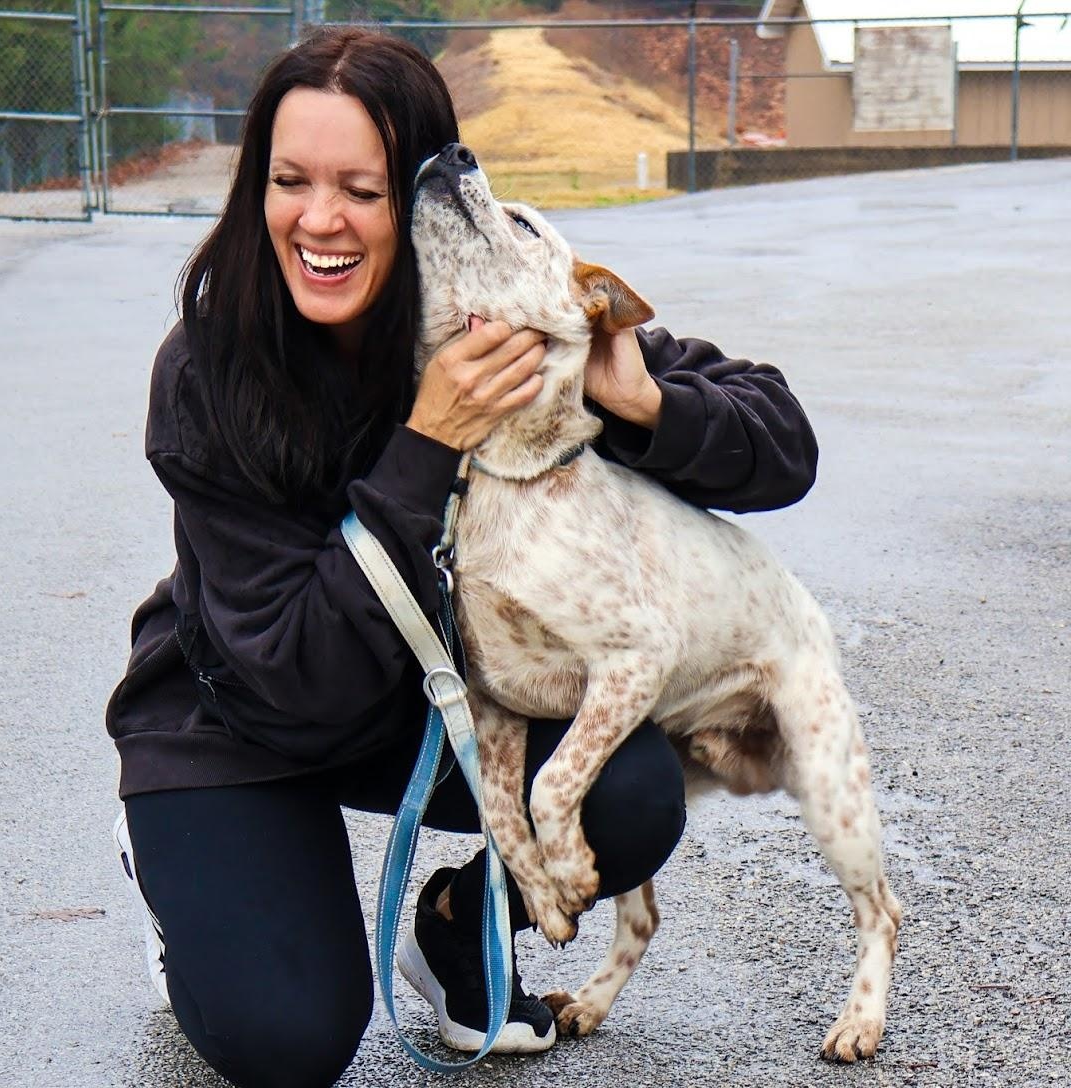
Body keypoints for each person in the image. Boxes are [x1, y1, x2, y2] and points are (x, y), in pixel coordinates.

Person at [105, 25, 819, 1088]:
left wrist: (638, 400)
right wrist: (425, 443)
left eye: (362, 187)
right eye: (290, 180)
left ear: (428, 199)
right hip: (240, 715)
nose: (319, 220)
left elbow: (781, 444)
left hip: (430, 705)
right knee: (286, 1040)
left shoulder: (493, 322)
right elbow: (297, 673)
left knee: (629, 793)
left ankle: (453, 927)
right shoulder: (214, 367)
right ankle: (187, 895)